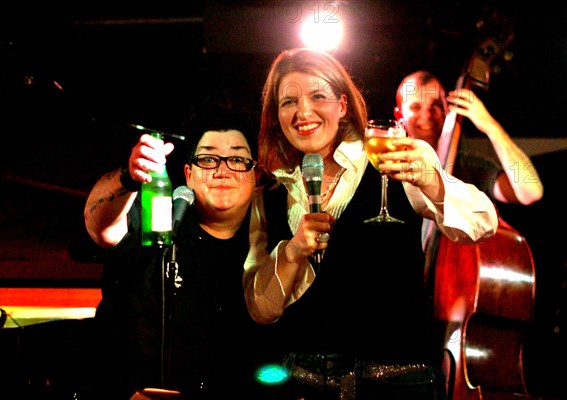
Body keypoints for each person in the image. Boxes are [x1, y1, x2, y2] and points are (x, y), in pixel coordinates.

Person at [242, 48, 499, 400]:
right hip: (303, 385)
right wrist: (291, 253)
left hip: (399, 384)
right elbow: (262, 310)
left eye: (318, 96)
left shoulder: (396, 157)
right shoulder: (269, 193)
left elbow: (482, 224)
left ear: (342, 105)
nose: (303, 111)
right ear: (276, 115)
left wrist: (432, 181)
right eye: (288, 102)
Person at [79, 105, 266, 400]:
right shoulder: (160, 217)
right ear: (188, 174)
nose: (222, 169)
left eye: (237, 159)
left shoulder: (268, 245)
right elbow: (100, 228)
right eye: (207, 158)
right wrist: (129, 177)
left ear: (255, 174)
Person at [396, 70, 543, 206]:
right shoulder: (389, 167)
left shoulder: (469, 165)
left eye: (436, 105)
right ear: (399, 115)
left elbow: (531, 191)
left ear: (447, 109)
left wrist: (491, 126)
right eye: (416, 107)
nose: (427, 115)